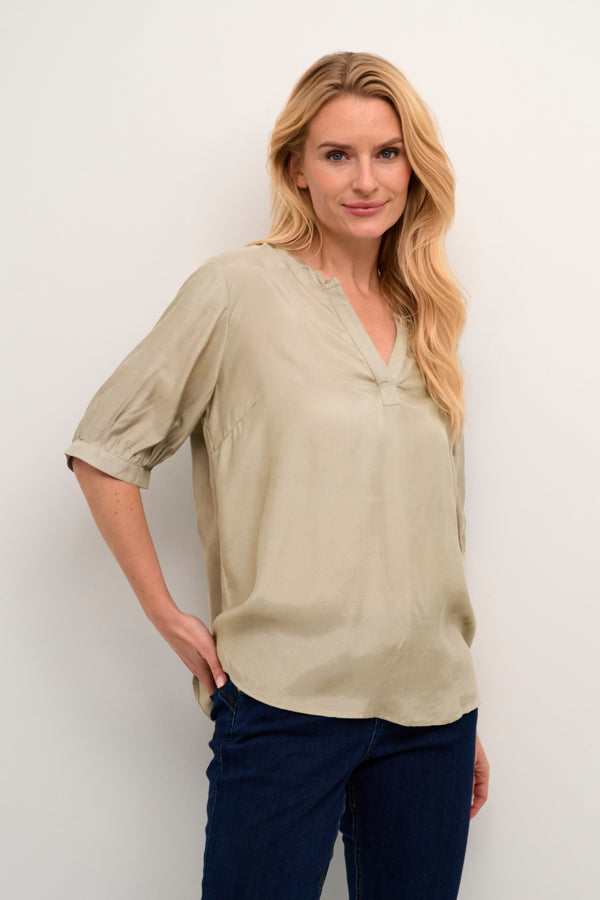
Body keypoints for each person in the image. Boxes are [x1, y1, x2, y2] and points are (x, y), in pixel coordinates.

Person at [66, 51, 489, 899]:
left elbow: (432, 530)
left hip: (431, 716)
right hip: (285, 705)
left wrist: (453, 709)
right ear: (297, 167)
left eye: (387, 153)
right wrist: (166, 614)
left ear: (413, 167)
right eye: (337, 154)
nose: (365, 179)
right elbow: (105, 448)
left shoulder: (426, 318)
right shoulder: (237, 290)